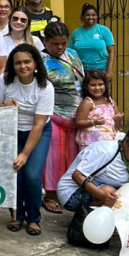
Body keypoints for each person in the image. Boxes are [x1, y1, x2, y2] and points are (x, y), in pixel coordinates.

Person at [0, 45, 54, 236]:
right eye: (18, 62)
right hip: (12, 131)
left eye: (27, 62)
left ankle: (34, 219)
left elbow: (38, 125)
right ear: (12, 65)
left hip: (38, 132)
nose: (22, 66)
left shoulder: (45, 87)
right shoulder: (5, 80)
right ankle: (17, 215)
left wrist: (25, 154)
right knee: (14, 173)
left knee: (32, 175)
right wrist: (4, 106)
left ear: (35, 64)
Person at [57, 126, 129, 249]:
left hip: (96, 187)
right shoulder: (105, 151)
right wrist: (101, 195)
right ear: (126, 142)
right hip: (70, 193)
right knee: (111, 192)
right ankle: (90, 224)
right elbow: (77, 176)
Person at [41, 21, 84, 214]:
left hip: (77, 116)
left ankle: (68, 192)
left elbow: (81, 80)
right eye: (55, 44)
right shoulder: (40, 60)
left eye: (63, 43)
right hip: (54, 115)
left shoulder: (73, 55)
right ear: (45, 41)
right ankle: (50, 195)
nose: (59, 48)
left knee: (74, 156)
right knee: (54, 158)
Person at [75, 69, 124, 148]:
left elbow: (117, 128)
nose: (97, 88)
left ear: (105, 85)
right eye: (93, 85)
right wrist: (94, 122)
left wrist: (118, 120)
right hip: (90, 144)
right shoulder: (88, 103)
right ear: (86, 87)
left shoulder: (111, 103)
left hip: (109, 144)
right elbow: (78, 123)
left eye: (100, 84)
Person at [68, 3, 115, 81]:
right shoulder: (76, 32)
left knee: (100, 92)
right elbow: (70, 53)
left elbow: (112, 52)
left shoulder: (104, 30)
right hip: (81, 71)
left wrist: (109, 71)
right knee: (82, 93)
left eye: (93, 15)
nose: (91, 17)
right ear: (82, 17)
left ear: (97, 16)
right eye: (87, 15)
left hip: (101, 70)